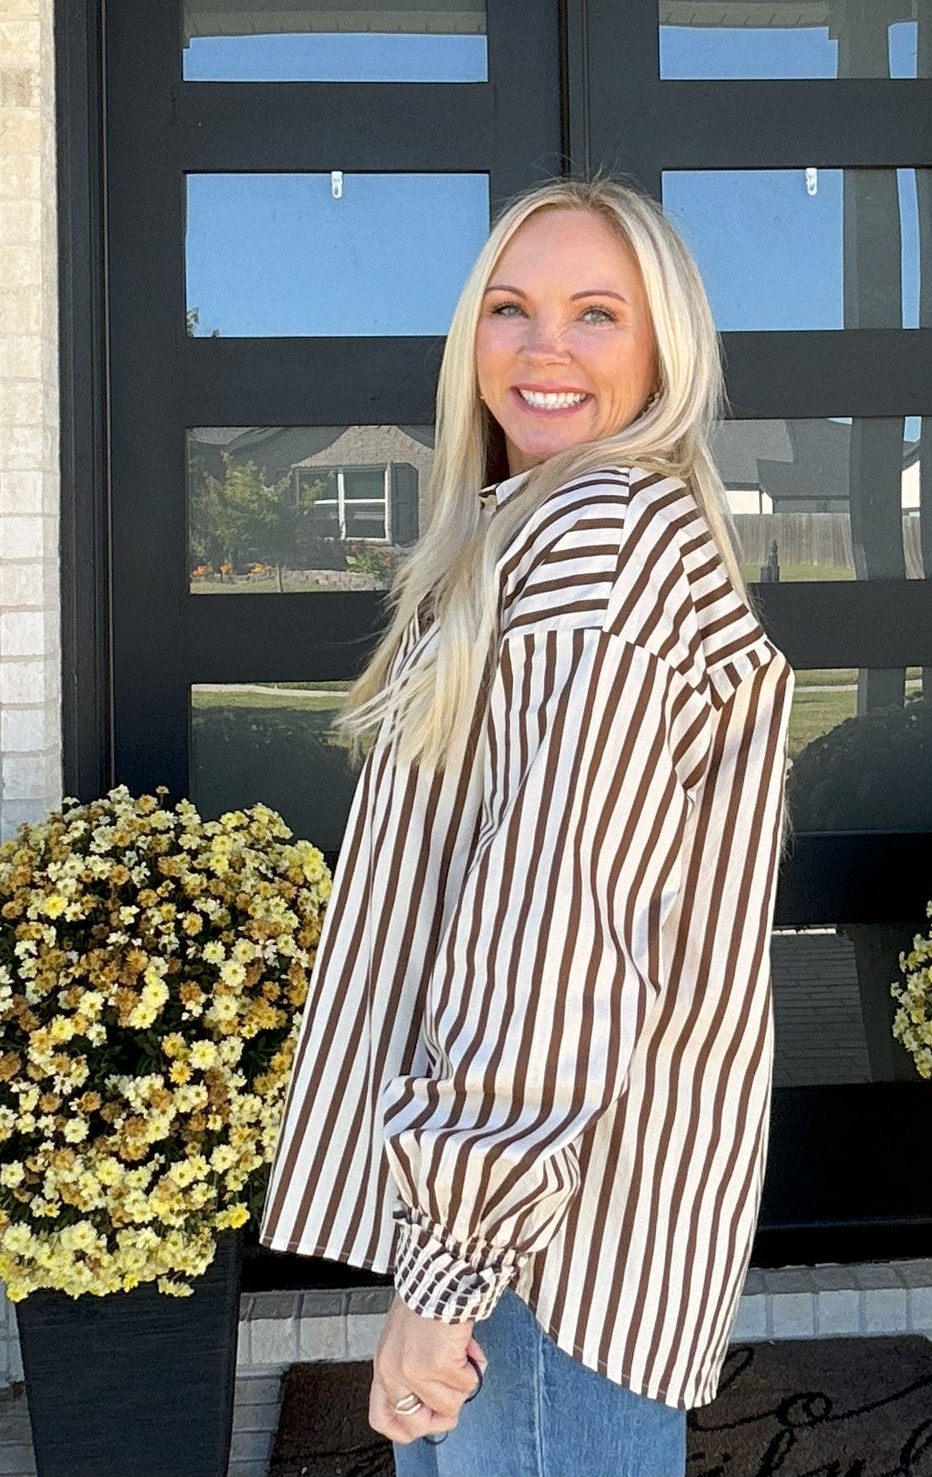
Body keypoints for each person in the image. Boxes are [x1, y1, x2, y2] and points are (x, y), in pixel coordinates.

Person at [259, 177, 797, 1477]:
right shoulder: (543, 533)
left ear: (661, 349)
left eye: (594, 313)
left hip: (550, 1244)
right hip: (558, 1222)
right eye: (510, 307)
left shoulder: (600, 533)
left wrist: (449, 1267)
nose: (541, 346)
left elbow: (560, 922)